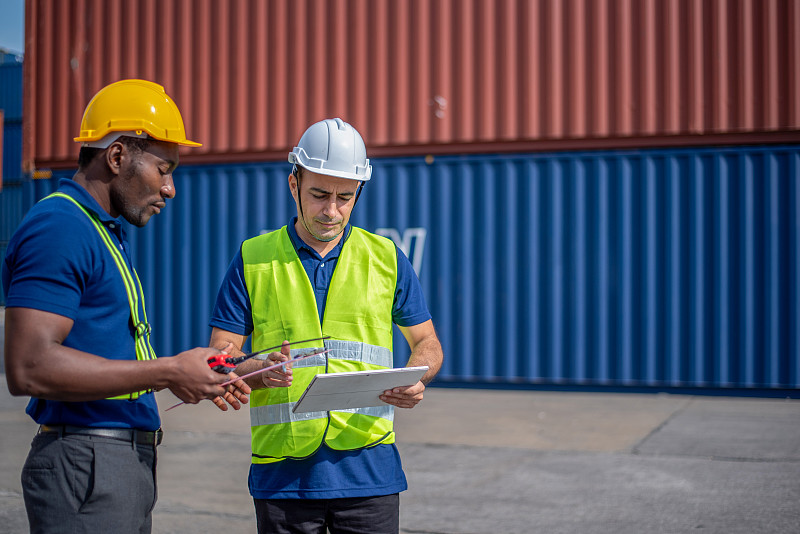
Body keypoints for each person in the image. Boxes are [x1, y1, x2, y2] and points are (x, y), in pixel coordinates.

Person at [2, 79, 250, 534]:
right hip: (87, 465)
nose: (170, 189)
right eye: (163, 169)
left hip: (113, 465)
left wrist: (210, 370)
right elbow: (29, 366)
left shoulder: (99, 230)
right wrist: (168, 371)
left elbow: (110, 355)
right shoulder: (60, 226)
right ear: (117, 157)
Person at [209, 117, 444, 534]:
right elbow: (218, 357)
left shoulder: (387, 257)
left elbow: (426, 341)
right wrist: (257, 369)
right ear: (294, 184)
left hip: (369, 471)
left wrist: (415, 378)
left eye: (345, 197)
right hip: (283, 477)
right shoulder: (253, 258)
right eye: (319, 194)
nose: (332, 211)